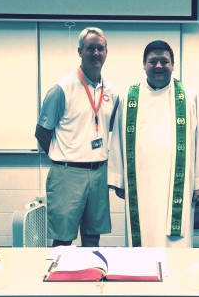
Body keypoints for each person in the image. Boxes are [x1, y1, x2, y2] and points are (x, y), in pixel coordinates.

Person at [108, 40, 199, 247]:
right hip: (140, 185)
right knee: (142, 238)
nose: (159, 66)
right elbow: (116, 137)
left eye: (164, 61)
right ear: (144, 65)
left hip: (178, 184)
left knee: (175, 244)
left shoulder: (189, 97)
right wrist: (119, 179)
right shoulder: (129, 97)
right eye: (153, 61)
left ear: (173, 65)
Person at [35, 27, 119, 247]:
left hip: (99, 173)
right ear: (80, 51)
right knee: (63, 238)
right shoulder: (62, 89)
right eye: (90, 48)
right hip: (67, 173)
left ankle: (92, 279)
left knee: (93, 236)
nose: (96, 53)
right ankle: (60, 279)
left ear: (107, 53)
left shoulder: (112, 91)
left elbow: (109, 130)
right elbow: (42, 132)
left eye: (100, 48)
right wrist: (63, 156)